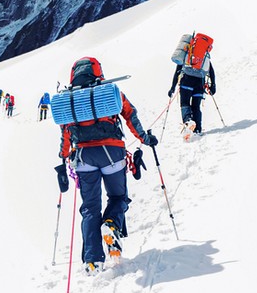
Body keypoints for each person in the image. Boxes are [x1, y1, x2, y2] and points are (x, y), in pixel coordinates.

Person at [57, 57, 157, 275]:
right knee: (118, 197)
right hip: (112, 153)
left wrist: (63, 156)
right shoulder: (109, 91)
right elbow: (130, 114)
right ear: (97, 72)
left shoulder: (69, 100)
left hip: (83, 157)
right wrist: (144, 138)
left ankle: (93, 261)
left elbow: (66, 132)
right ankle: (111, 224)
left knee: (90, 208)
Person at [169, 58, 216, 136]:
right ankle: (197, 129)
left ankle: (188, 121)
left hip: (186, 82)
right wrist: (213, 85)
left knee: (185, 104)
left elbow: (178, 70)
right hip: (200, 83)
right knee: (196, 107)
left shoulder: (186, 53)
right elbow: (211, 70)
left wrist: (172, 87)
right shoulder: (204, 54)